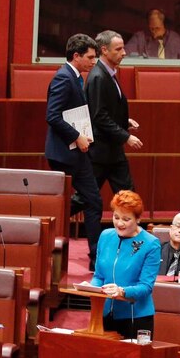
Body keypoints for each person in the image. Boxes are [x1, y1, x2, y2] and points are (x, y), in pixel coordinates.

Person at [44, 33, 102, 270]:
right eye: (90, 56)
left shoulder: (75, 77)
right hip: (65, 153)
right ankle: (95, 258)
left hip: (74, 152)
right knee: (91, 200)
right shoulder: (63, 78)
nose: (94, 61)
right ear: (76, 56)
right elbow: (52, 116)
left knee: (90, 200)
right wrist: (77, 136)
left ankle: (95, 256)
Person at [90, 190, 161, 339]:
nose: (119, 223)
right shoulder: (105, 236)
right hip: (104, 314)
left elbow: (146, 287)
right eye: (116, 217)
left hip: (135, 317)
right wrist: (91, 288)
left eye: (126, 219)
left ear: (138, 219)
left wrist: (122, 291)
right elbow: (99, 275)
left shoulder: (150, 244)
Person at [86, 30, 142, 195]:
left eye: (123, 48)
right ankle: (52, 215)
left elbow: (107, 110)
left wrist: (124, 122)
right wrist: (126, 136)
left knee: (128, 196)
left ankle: (131, 221)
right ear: (104, 50)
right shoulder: (98, 77)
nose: (124, 53)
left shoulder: (108, 74)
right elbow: (99, 116)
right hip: (101, 152)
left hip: (112, 152)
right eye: (118, 49)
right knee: (84, 198)